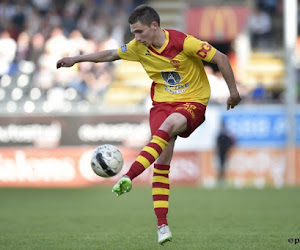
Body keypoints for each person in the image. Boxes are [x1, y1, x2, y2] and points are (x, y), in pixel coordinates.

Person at [56, 5, 241, 245]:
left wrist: (233, 92)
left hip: (192, 101)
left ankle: (129, 176)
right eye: (133, 33)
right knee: (163, 161)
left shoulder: (184, 42)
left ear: (155, 26)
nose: (137, 38)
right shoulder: (138, 47)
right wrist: (77, 59)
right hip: (161, 104)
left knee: (172, 123)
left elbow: (221, 58)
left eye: (140, 32)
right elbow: (111, 54)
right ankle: (162, 225)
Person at [216, 121, 235, 186]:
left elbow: (218, 144)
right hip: (222, 152)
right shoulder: (224, 135)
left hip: (223, 152)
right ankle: (221, 180)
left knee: (222, 166)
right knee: (221, 166)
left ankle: (222, 180)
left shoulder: (222, 135)